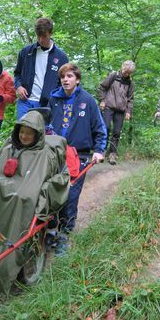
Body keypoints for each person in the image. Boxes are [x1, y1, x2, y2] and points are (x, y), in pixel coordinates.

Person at [0, 110, 69, 291]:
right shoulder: (9, 148)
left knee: (21, 198)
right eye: (21, 132)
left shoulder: (44, 154)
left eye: (29, 133)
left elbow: (40, 178)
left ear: (37, 134)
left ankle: (7, 253)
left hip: (24, 191)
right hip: (4, 184)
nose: (24, 136)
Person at [48, 63, 107, 252]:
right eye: (63, 76)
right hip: (55, 153)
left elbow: (100, 128)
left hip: (79, 155)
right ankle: (49, 230)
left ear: (78, 79)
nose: (65, 79)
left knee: (70, 196)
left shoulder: (88, 101)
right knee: (50, 191)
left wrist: (99, 150)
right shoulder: (53, 99)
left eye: (70, 76)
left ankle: (64, 234)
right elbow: (45, 125)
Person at [14, 18, 69, 120]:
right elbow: (17, 74)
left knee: (43, 135)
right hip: (25, 101)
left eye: (44, 36)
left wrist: (53, 98)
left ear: (51, 33)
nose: (41, 39)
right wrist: (19, 87)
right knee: (22, 133)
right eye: (38, 36)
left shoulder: (61, 57)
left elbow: (63, 83)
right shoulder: (26, 52)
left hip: (46, 104)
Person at [97, 60, 136, 165]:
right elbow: (102, 88)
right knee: (106, 128)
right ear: (122, 67)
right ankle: (102, 151)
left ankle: (112, 154)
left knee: (117, 132)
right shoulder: (113, 76)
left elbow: (131, 99)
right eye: (125, 71)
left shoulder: (130, 83)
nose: (126, 74)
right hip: (108, 107)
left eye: (128, 73)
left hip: (121, 110)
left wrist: (128, 111)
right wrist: (102, 100)